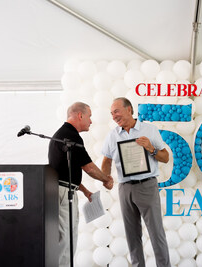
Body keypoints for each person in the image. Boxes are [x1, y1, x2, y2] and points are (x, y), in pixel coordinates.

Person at [101, 97, 171, 267]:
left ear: (129, 110)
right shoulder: (112, 135)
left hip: (147, 185)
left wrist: (151, 149)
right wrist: (105, 178)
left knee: (156, 233)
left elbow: (166, 158)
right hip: (125, 188)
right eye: (111, 113)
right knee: (132, 235)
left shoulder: (149, 130)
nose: (114, 116)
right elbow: (106, 161)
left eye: (116, 111)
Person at [48, 102, 113, 267]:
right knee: (65, 239)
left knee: (68, 236)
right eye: (89, 116)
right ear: (80, 115)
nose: (91, 121)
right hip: (63, 194)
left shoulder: (63, 134)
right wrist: (106, 179)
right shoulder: (70, 136)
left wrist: (84, 190)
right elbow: (89, 168)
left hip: (64, 190)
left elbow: (66, 170)